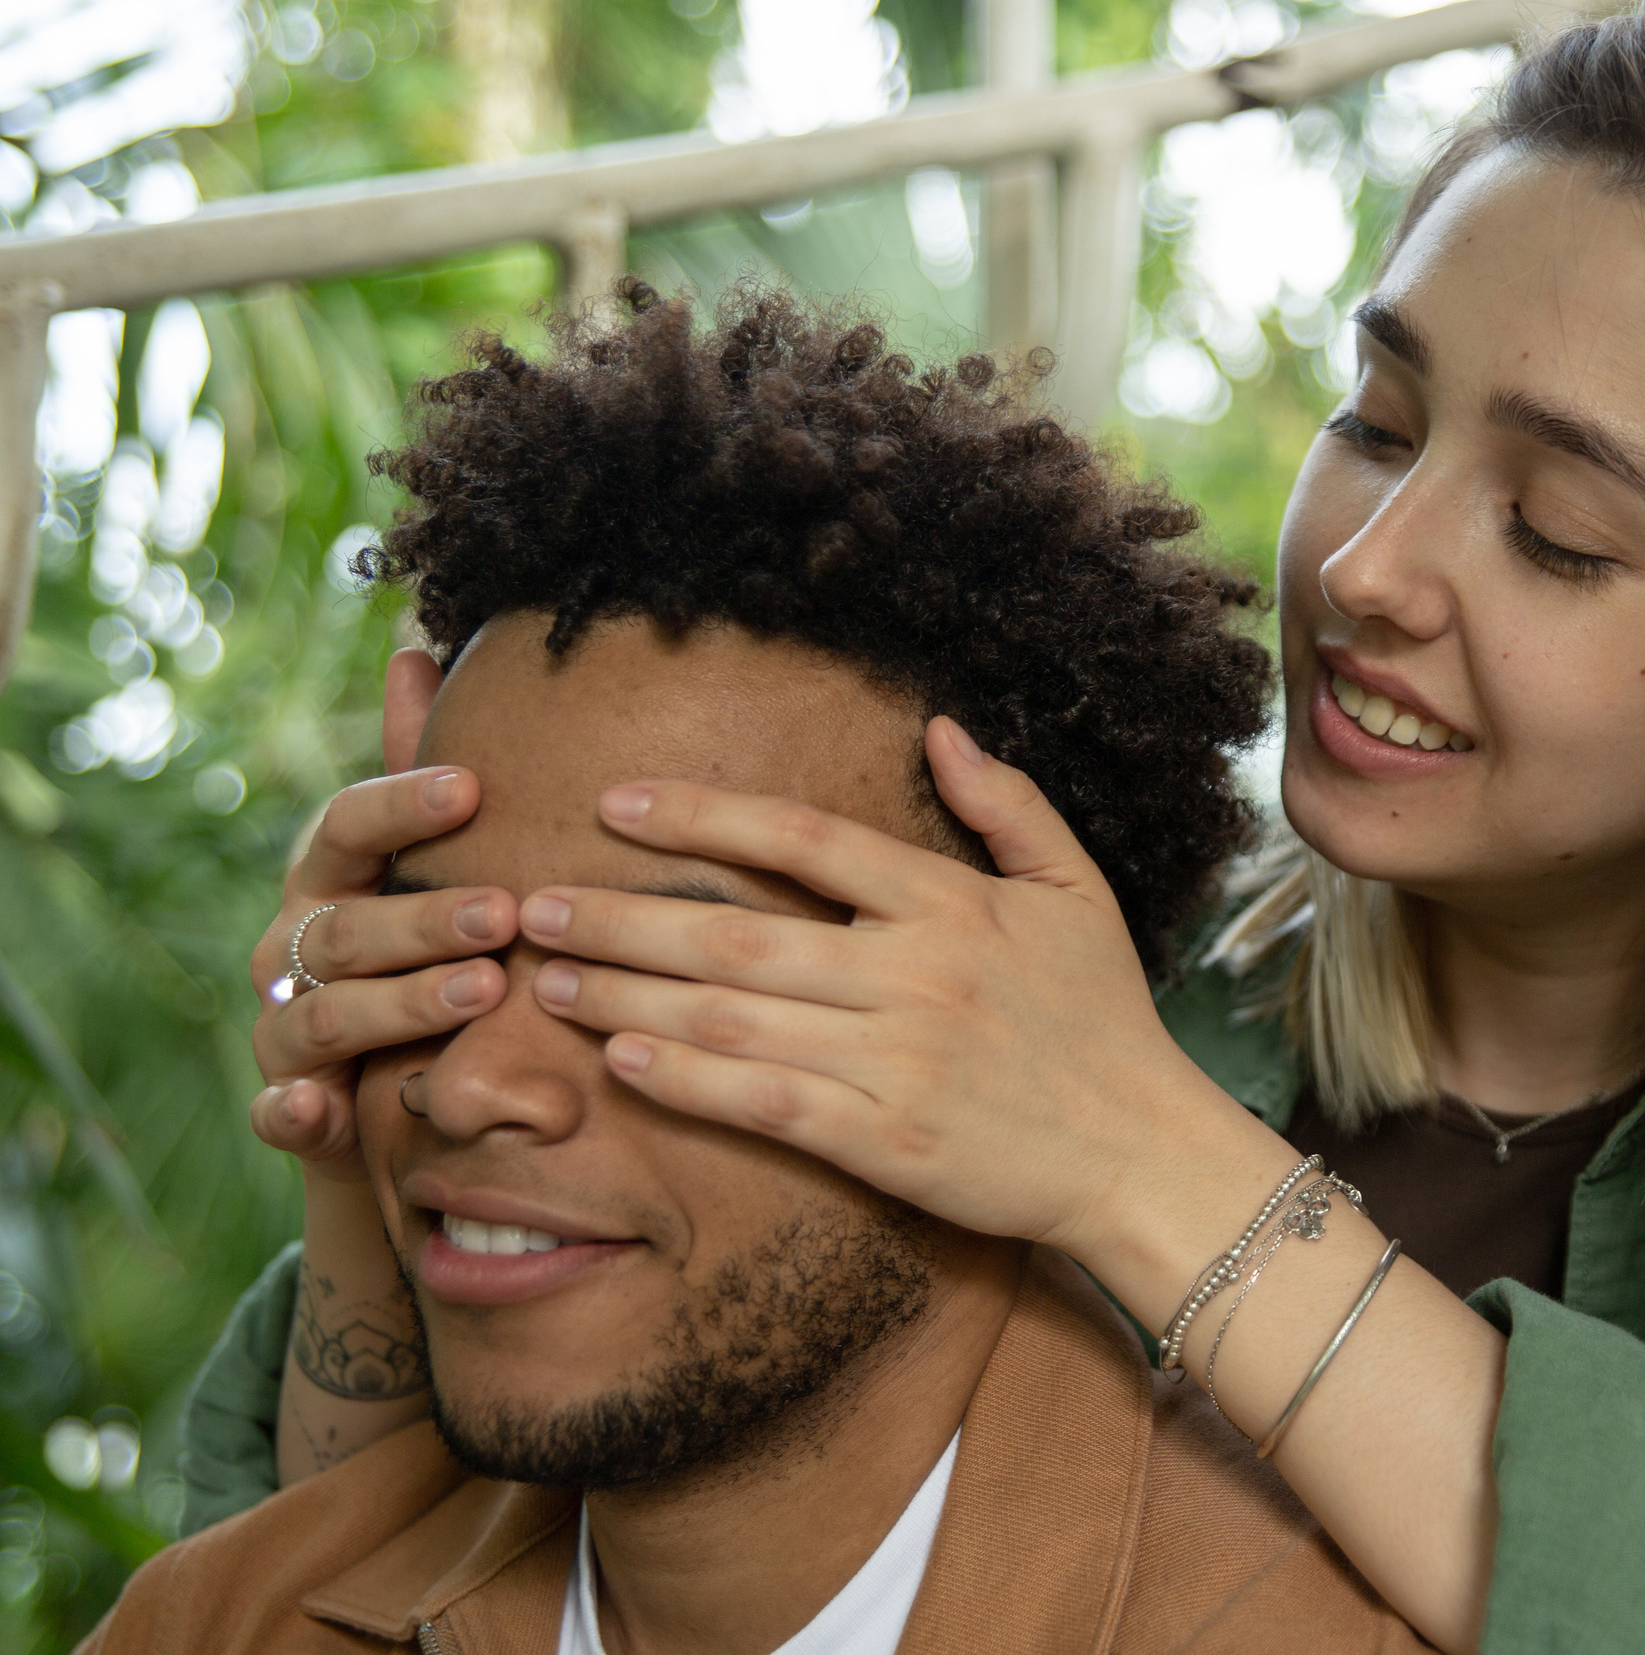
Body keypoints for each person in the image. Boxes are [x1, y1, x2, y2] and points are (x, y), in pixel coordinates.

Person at [188, 12, 1645, 1655]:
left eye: (1558, 533)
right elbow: (376, 1568)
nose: (1366, 567)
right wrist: (379, 1126)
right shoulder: (1067, 918)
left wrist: (1140, 1163)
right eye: (1376, 420)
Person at [94, 289, 1424, 1654]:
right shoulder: (210, 1626)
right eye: (441, 941)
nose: (471, 1084)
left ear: (1017, 1040)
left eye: (666, 968)